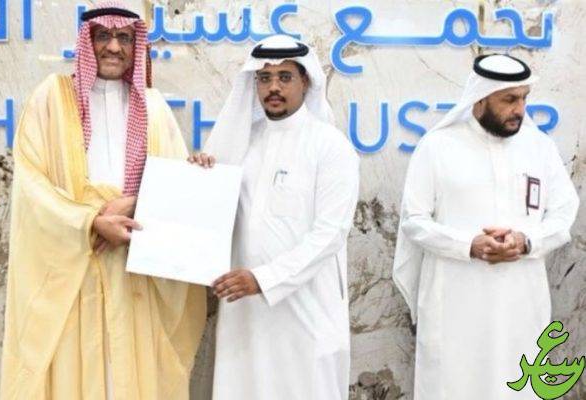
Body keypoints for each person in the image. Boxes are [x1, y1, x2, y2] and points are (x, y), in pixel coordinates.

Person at [0, 2, 205, 399]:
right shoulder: (51, 98)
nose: (114, 47)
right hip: (74, 275)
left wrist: (171, 185)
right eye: (103, 36)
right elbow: (32, 185)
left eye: (124, 37)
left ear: (136, 44)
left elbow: (175, 193)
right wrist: (90, 221)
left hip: (135, 278)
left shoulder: (155, 108)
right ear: (86, 40)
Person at [392, 53, 579, 399]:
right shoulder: (438, 147)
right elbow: (414, 221)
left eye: (523, 98)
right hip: (455, 303)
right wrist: (469, 245)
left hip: (520, 303)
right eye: (509, 100)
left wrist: (526, 240)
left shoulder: (539, 147)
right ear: (480, 98)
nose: (519, 109)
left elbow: (564, 212)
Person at [190, 35, 359, 400]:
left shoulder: (331, 147)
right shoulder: (240, 144)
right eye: (264, 79)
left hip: (306, 312)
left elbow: (330, 234)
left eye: (285, 77)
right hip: (244, 315)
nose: (274, 88)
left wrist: (264, 279)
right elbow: (212, 213)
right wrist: (200, 175)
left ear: (306, 81)